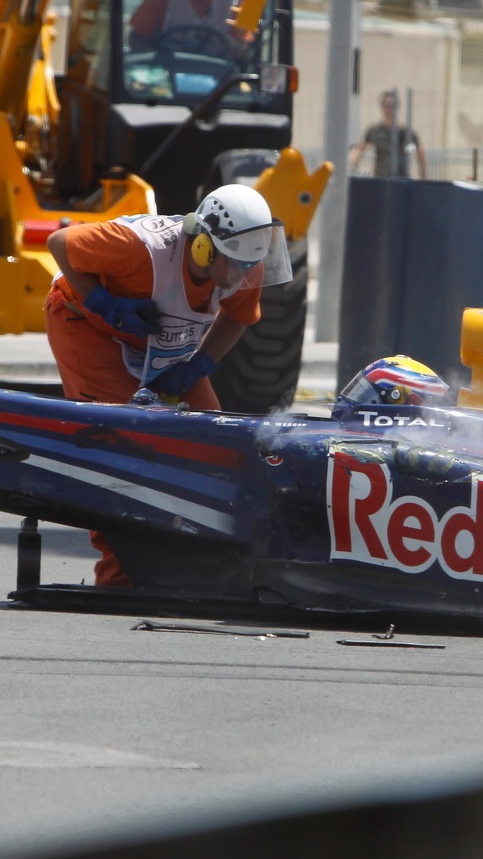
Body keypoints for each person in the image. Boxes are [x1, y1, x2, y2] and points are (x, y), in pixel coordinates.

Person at [44, 184, 292, 585]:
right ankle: (120, 576)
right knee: (118, 444)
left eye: (250, 267)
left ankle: (208, 562)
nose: (245, 277)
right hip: (88, 325)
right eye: (235, 266)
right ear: (202, 249)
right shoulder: (138, 248)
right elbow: (60, 244)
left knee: (218, 445)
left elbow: (239, 317)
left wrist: (200, 365)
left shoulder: (246, 257)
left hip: (159, 340)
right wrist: (104, 304)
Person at [128, 0, 242, 55]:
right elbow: (136, 38)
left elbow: (244, 49)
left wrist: (233, 47)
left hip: (219, 77)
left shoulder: (233, 0)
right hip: (170, 71)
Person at [349, 90, 427, 179]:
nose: (389, 108)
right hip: (381, 181)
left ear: (398, 107)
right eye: (386, 105)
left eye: (392, 105)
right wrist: (358, 167)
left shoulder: (407, 133)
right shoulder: (375, 131)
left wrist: (423, 178)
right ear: (382, 107)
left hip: (402, 181)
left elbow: (420, 154)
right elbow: (359, 150)